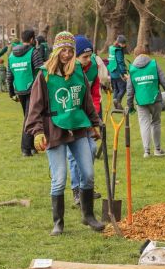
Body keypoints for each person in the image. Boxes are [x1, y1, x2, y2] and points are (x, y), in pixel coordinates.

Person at [25, 31, 105, 235]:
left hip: (78, 129)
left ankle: (88, 216)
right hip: (54, 130)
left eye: (71, 51)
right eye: (63, 50)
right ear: (56, 51)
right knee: (59, 178)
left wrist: (95, 123)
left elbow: (86, 100)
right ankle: (58, 223)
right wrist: (37, 133)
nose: (67, 55)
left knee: (88, 174)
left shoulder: (79, 71)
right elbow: (34, 108)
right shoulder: (44, 75)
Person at [67, 35, 110, 206]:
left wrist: (96, 116)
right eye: (84, 56)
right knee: (72, 156)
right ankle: (77, 190)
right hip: (71, 117)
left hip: (89, 115)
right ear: (75, 56)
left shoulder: (93, 67)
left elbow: (95, 93)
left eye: (90, 55)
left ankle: (87, 187)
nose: (88, 59)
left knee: (91, 149)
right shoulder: (68, 70)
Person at [127, 46, 165, 158]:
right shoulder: (154, 64)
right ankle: (157, 150)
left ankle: (146, 151)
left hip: (140, 101)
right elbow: (164, 81)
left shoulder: (132, 68)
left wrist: (130, 104)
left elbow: (130, 89)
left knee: (144, 124)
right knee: (156, 122)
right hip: (155, 98)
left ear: (135, 55)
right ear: (147, 54)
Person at [7, 29, 44, 157]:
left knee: (29, 116)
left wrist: (11, 93)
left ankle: (33, 147)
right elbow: (41, 72)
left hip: (19, 89)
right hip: (33, 90)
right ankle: (26, 149)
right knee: (30, 118)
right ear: (32, 39)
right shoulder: (34, 52)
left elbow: (9, 75)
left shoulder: (11, 55)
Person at [107, 35, 128, 109]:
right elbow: (120, 62)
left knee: (116, 89)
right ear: (120, 43)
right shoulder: (118, 50)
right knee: (124, 87)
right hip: (118, 73)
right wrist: (124, 73)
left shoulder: (111, 48)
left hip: (112, 72)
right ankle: (118, 101)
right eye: (124, 43)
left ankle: (115, 103)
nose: (125, 45)